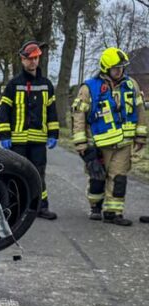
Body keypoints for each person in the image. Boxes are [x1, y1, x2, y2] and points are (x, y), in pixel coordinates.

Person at [71, 47, 147, 226]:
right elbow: (79, 117)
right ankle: (95, 208)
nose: (119, 71)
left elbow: (140, 111)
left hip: (124, 144)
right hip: (98, 144)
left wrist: (141, 137)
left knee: (119, 178)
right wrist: (82, 146)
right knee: (97, 177)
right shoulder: (89, 88)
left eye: (121, 68)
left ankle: (114, 213)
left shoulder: (131, 85)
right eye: (115, 68)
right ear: (106, 68)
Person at [0, 41, 60, 220]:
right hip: (17, 141)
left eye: (35, 58)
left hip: (38, 141)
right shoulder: (13, 85)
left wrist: (54, 134)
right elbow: (4, 112)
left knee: (38, 174)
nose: (33, 62)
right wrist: (4, 134)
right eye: (29, 59)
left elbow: (51, 112)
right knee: (18, 174)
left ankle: (41, 206)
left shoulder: (46, 85)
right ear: (22, 60)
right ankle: (16, 208)